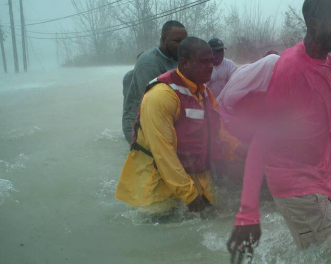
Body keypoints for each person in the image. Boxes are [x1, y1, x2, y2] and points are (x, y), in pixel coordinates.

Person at [226, 0, 331, 264]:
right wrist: (247, 213)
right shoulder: (290, 68)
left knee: (318, 258)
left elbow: (322, 117)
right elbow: (262, 139)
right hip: (296, 185)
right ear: (314, 25)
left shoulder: (325, 60)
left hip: (315, 177)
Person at [116, 37, 245, 215]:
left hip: (195, 181)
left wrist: (238, 148)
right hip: (158, 191)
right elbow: (163, 152)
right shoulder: (160, 96)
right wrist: (189, 195)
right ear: (184, 63)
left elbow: (217, 131)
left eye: (211, 61)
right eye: (204, 62)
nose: (211, 66)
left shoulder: (205, 93)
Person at [122, 21, 188, 143]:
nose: (182, 46)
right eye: (177, 41)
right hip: (140, 125)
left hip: (163, 117)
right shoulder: (149, 64)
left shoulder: (176, 56)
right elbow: (156, 106)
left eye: (185, 42)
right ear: (164, 40)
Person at [217, 54, 280, 143]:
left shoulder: (253, 73)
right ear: (269, 68)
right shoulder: (243, 84)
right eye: (275, 70)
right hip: (226, 123)